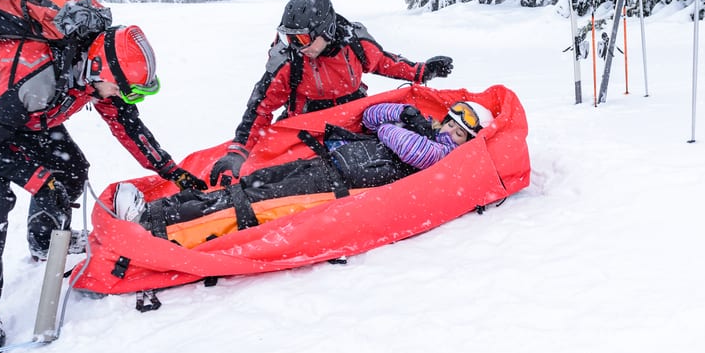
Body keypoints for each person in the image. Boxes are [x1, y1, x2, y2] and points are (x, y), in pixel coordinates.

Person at [0, 24, 205, 353]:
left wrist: (170, 169)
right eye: (124, 89)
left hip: (19, 112)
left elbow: (128, 125)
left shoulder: (90, 72)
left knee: (69, 169)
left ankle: (45, 240)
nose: (122, 96)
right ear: (101, 70)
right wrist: (39, 178)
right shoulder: (40, 77)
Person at [113, 100, 495, 240]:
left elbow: (405, 146)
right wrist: (400, 111)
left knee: (247, 205)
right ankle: (161, 210)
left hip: (338, 185)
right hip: (330, 165)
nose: (449, 130)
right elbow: (371, 116)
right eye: (449, 122)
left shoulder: (444, 158)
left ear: (467, 141)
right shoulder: (425, 129)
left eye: (460, 131)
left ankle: (153, 225)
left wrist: (393, 125)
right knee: (245, 186)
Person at [210, 0, 455, 187]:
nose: (296, 45)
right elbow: (259, 108)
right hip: (307, 129)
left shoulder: (354, 42)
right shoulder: (290, 60)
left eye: (303, 39)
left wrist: (423, 71)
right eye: (289, 38)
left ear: (325, 30)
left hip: (354, 123)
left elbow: (384, 62)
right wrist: (238, 151)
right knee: (290, 180)